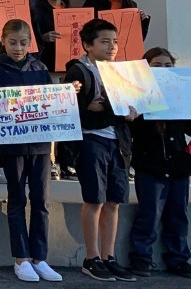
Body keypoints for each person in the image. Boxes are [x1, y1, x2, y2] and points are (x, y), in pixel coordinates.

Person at [0, 20, 63, 283]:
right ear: (3, 41)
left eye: (23, 43)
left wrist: (67, 94)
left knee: (41, 201)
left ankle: (40, 257)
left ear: (31, 43)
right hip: (12, 144)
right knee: (16, 199)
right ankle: (21, 258)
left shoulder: (39, 67)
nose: (18, 48)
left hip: (40, 144)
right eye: (13, 42)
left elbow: (50, 101)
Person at [63, 18, 137, 282]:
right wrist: (90, 107)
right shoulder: (79, 72)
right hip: (91, 140)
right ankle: (91, 258)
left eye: (115, 42)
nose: (112, 47)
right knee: (94, 199)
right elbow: (70, 109)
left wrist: (131, 114)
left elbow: (132, 108)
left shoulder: (122, 73)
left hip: (117, 142)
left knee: (114, 201)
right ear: (87, 45)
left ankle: (109, 257)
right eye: (104, 42)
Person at [127, 47, 191, 280]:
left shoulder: (182, 93)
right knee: (149, 214)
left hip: (178, 165)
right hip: (150, 166)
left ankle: (179, 259)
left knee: (178, 214)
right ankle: (141, 259)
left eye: (167, 66)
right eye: (157, 65)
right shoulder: (137, 94)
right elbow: (134, 129)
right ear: (146, 68)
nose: (163, 70)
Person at [33, 0, 75, 181]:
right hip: (48, 67)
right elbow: (31, 39)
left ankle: (66, 160)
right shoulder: (37, 11)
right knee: (51, 114)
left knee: (68, 116)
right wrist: (43, 38)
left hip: (69, 69)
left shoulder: (72, 12)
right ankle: (50, 161)